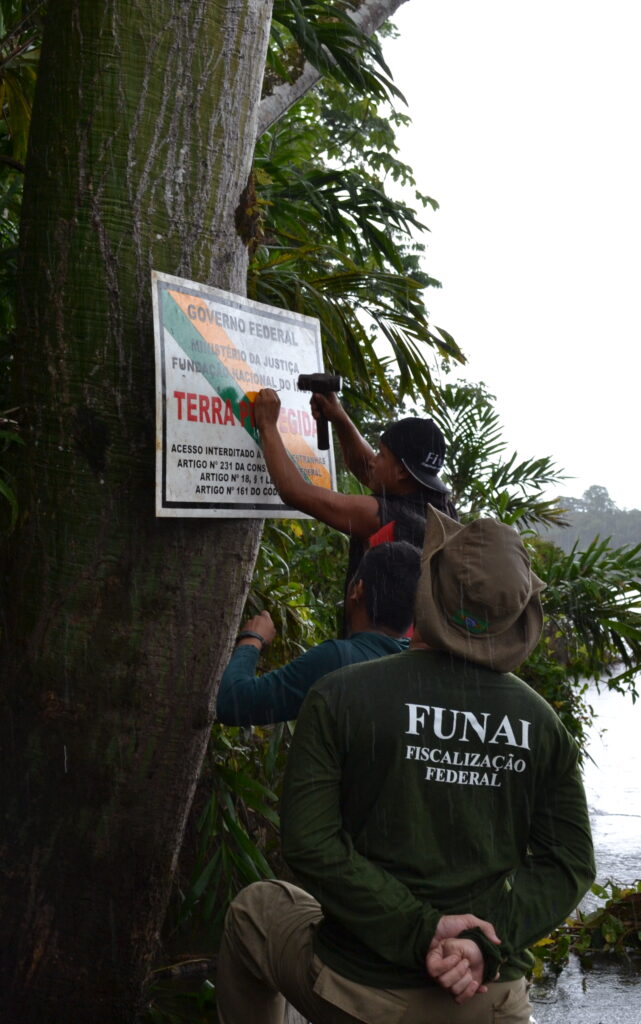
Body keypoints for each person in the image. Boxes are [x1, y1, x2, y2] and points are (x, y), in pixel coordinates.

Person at [217, 507, 595, 1024]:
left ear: (428, 588)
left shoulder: (341, 695)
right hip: (491, 998)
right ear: (518, 618)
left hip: (364, 992)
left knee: (255, 910)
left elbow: (310, 844)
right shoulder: (542, 721)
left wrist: (423, 930)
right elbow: (570, 863)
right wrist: (481, 945)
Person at [250, 388, 458, 590]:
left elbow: (294, 491)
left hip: (376, 625)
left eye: (382, 454)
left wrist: (267, 425)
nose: (374, 461)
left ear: (402, 471)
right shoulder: (441, 509)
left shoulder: (381, 516)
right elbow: (368, 470)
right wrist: (338, 415)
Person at [217, 541, 420, 726]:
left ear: (358, 589)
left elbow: (234, 703)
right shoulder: (418, 669)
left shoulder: (338, 660)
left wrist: (252, 639)